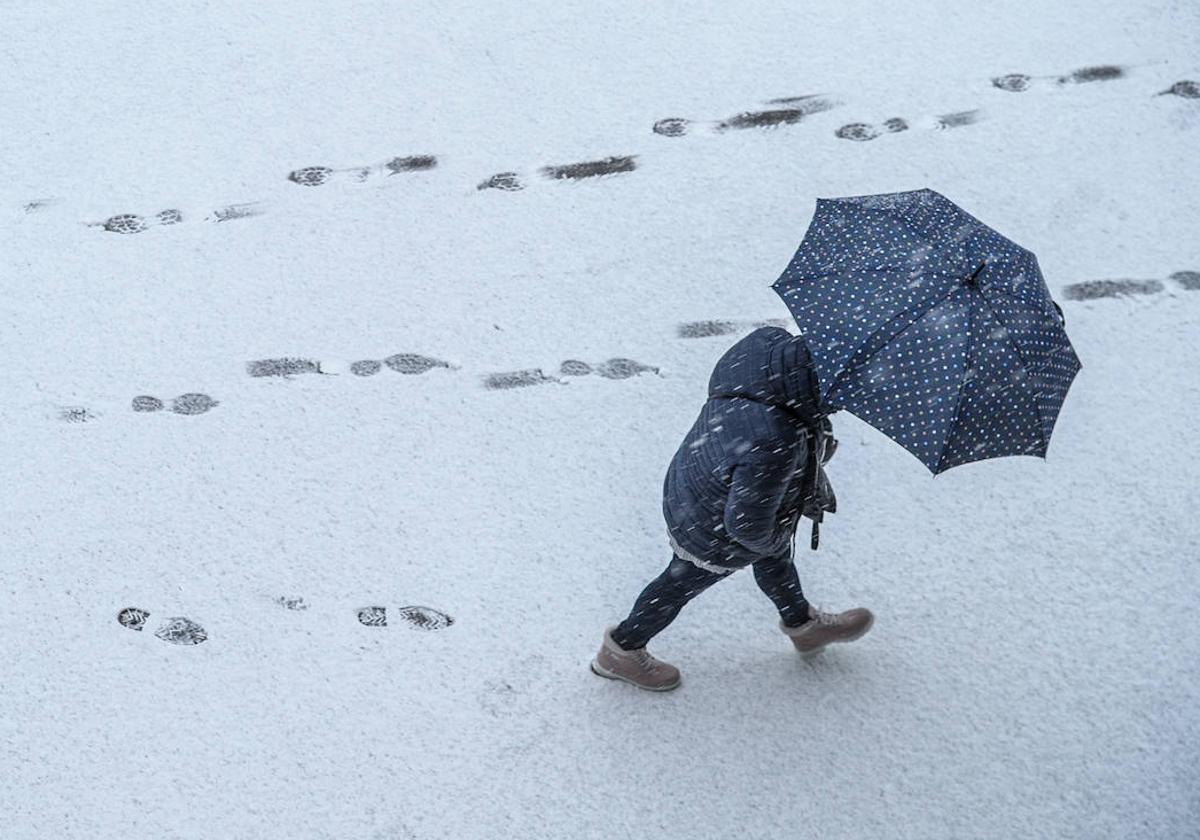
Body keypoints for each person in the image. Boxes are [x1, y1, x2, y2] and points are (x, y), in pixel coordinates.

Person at [591, 326, 873, 691]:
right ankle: (621, 651)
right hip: (715, 526)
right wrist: (773, 532)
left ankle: (803, 624)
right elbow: (748, 526)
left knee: (775, 556)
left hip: (699, 475)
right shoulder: (777, 440)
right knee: (681, 581)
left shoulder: (765, 349)